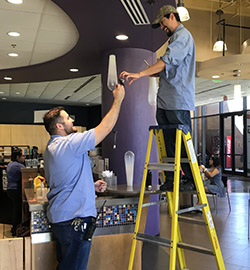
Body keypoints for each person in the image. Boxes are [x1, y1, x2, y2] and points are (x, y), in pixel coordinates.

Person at [43, 83, 125, 270]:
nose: (72, 120)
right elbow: (104, 129)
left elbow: (64, 181)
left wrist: (90, 185)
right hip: (75, 222)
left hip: (63, 220)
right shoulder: (69, 144)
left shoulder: (50, 149)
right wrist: (118, 99)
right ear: (59, 125)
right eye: (67, 118)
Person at [120, 5, 196, 192]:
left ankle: (191, 179)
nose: (162, 28)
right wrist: (156, 73)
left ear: (172, 16)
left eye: (163, 23)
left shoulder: (182, 37)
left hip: (177, 101)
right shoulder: (174, 40)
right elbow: (169, 69)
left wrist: (139, 74)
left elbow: (167, 62)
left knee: (181, 145)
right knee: (168, 142)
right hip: (166, 101)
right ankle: (172, 178)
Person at [6, 147, 25, 236]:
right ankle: (17, 229)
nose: (24, 158)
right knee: (18, 210)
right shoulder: (19, 166)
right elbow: (26, 173)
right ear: (17, 157)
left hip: (10, 189)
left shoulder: (10, 164)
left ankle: (14, 228)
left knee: (14, 209)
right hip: (16, 190)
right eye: (22, 156)